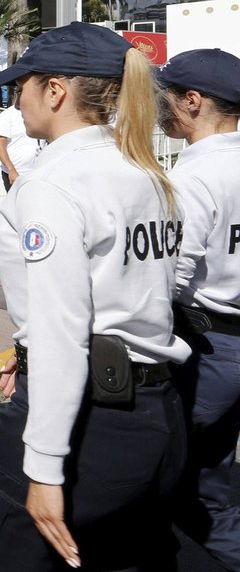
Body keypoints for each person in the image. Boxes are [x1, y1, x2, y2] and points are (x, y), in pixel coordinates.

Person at [0, 23, 190, 572]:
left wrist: (42, 469)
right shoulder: (147, 172)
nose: (16, 99)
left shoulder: (50, 184)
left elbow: (62, 335)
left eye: (23, 85)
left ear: (56, 91)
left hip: (93, 419)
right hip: (159, 410)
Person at [157, 48, 240, 568]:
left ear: (193, 101)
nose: (157, 108)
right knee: (211, 476)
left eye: (165, 97)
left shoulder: (193, 178)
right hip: (230, 347)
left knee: (169, 483)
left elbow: (169, 279)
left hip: (204, 350)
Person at [0, 87, 43, 190]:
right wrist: (11, 170)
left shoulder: (39, 112)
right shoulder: (7, 116)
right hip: (17, 174)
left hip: (39, 172)